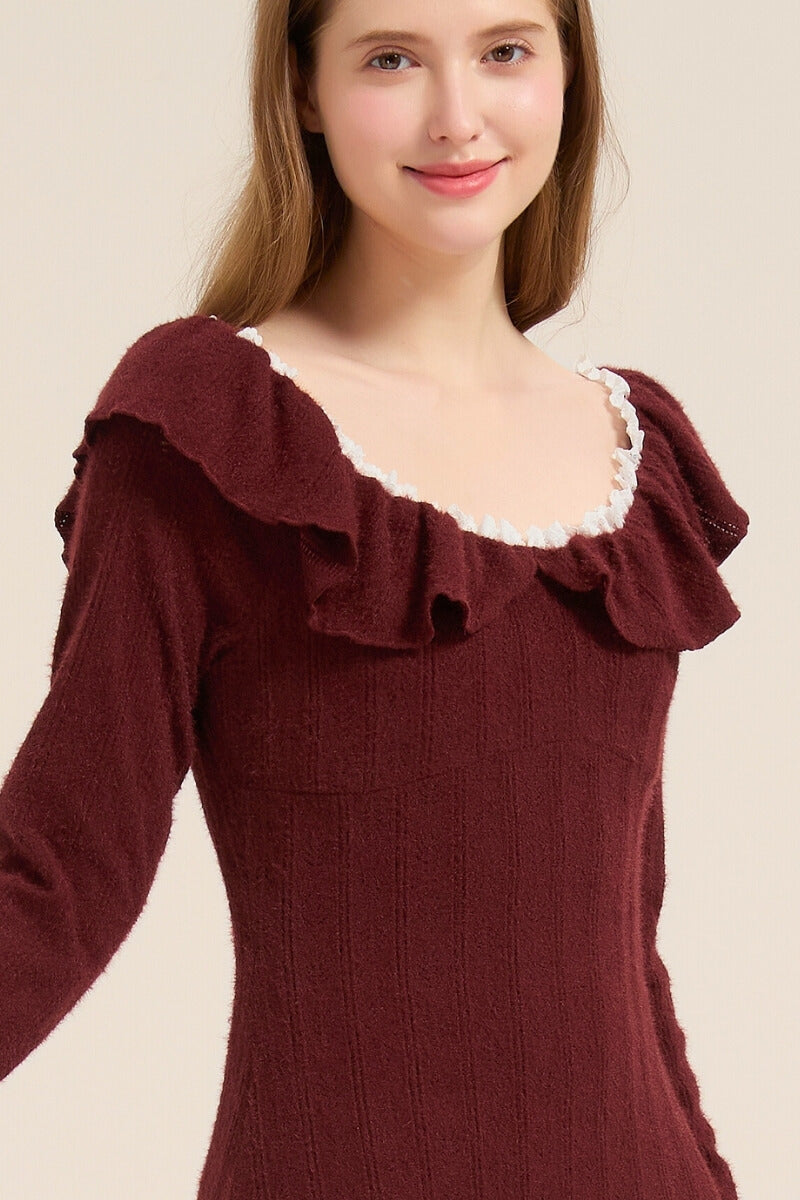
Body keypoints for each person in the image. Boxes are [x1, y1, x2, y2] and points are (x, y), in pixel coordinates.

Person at [0, 1, 749, 1197]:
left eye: (505, 50)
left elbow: (619, 949)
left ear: (567, 71)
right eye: (391, 59)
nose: (457, 118)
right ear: (301, 86)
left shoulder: (632, 452)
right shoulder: (204, 427)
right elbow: (53, 872)